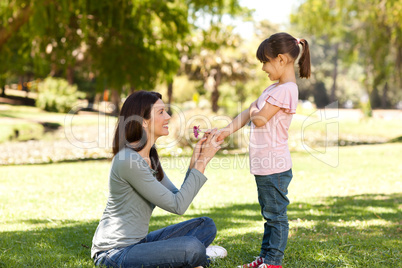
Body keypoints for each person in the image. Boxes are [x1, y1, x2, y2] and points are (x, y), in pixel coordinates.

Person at [91, 90, 226, 268]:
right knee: (191, 247)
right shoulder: (129, 160)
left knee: (205, 225)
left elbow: (178, 197)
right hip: (114, 253)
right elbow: (178, 205)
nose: (168, 116)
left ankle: (187, 256)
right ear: (144, 121)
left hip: (139, 243)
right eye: (161, 112)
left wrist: (196, 160)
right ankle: (196, 256)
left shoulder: (149, 158)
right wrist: (203, 161)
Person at [217, 32, 311, 268]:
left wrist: (251, 108)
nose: (263, 68)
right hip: (264, 165)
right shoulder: (273, 89)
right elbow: (251, 114)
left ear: (281, 59)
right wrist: (225, 131)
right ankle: (265, 257)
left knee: (276, 216)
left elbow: (259, 119)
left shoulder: (287, 90)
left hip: (274, 165)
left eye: (265, 62)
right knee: (269, 216)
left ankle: (273, 262)